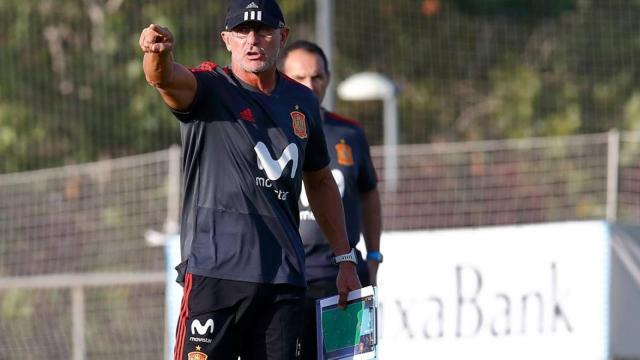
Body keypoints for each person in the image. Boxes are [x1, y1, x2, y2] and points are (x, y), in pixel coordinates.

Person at [138, 1, 361, 359]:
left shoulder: (301, 102)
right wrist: (157, 53)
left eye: (263, 31)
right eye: (242, 31)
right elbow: (163, 79)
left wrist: (345, 258)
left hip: (283, 281)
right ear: (227, 39)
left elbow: (319, 182)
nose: (252, 40)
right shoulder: (209, 88)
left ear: (282, 37)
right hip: (216, 274)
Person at [280, 40, 383, 360]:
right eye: (299, 78)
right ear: (282, 78)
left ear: (328, 78)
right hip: (285, 281)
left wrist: (374, 255)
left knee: (348, 358)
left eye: (317, 77)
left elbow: (368, 193)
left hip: (341, 278)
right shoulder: (267, 129)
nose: (309, 86)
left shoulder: (349, 133)